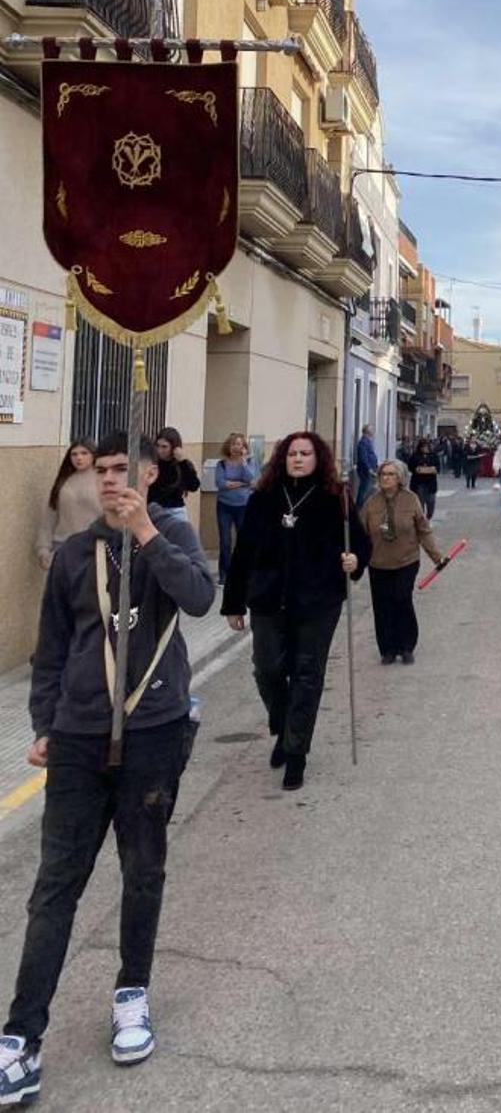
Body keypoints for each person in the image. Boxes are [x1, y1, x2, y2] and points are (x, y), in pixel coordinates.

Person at [0, 432, 213, 1104]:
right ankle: (21, 1033)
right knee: (55, 884)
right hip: (78, 736)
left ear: (150, 473)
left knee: (142, 869)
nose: (113, 481)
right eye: (106, 470)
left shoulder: (170, 541)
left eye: (127, 469)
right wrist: (42, 724)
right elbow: (51, 651)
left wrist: (146, 529)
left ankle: (131, 991)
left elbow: (201, 598)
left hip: (153, 730)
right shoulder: (72, 554)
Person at [221, 431, 369, 791]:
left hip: (319, 600)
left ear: (318, 458)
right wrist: (233, 602)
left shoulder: (336, 499)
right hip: (269, 598)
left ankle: (296, 752)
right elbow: (243, 555)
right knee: (267, 669)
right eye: (291, 454)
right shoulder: (264, 499)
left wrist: (355, 560)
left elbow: (361, 543)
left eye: (305, 453)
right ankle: (285, 725)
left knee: (307, 674)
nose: (298, 459)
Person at [360, 461, 446, 665]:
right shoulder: (371, 502)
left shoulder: (411, 500)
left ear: (400, 478)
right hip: (378, 562)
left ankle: (406, 646)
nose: (385, 478)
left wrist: (436, 556)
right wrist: (354, 559)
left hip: (406, 560)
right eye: (382, 474)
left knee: (401, 599)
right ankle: (387, 649)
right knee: (382, 605)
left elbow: (423, 530)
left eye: (390, 474)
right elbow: (361, 533)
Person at [35, 439, 101, 570]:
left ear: (94, 455)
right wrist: (43, 549)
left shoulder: (103, 479)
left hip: (94, 546)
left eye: (84, 453)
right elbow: (50, 517)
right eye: (74, 454)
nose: (79, 458)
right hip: (62, 545)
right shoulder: (64, 481)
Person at [214, 432, 257, 587]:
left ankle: (244, 574)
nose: (236, 447)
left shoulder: (249, 462)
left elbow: (251, 479)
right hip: (224, 505)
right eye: (233, 444)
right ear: (228, 446)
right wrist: (241, 483)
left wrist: (244, 463)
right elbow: (220, 483)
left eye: (239, 444)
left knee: (244, 540)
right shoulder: (222, 464)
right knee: (225, 541)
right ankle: (224, 575)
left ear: (244, 447)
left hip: (243, 505)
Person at [146, 427, 199, 524]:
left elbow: (194, 486)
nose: (159, 450)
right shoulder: (152, 463)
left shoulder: (181, 465)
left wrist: (183, 462)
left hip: (175, 511)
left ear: (174, 448)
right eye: (158, 446)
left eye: (164, 447)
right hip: (154, 510)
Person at [407, 439, 439, 520]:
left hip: (430, 482)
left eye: (426, 447)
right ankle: (421, 519)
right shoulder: (415, 456)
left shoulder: (433, 455)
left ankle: (429, 516)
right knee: (420, 502)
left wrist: (433, 469)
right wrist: (417, 469)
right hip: (419, 483)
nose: (425, 449)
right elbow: (410, 466)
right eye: (423, 447)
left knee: (431, 501)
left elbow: (438, 467)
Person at [355, 424, 379, 509]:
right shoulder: (363, 442)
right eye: (372, 430)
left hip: (369, 469)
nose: (374, 432)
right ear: (368, 432)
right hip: (365, 470)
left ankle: (362, 506)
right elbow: (363, 457)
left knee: (366, 488)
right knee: (364, 489)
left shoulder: (368, 441)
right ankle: (359, 507)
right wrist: (369, 469)